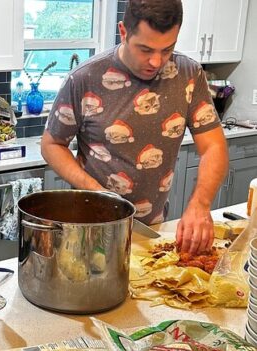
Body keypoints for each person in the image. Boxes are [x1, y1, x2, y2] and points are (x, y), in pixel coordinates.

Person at [41, 0, 228, 255]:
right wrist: (96, 190)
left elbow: (213, 146)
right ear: (123, 32)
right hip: (91, 228)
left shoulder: (189, 75)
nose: (156, 61)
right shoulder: (84, 78)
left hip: (153, 229)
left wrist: (200, 204)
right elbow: (52, 145)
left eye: (167, 49)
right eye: (145, 49)